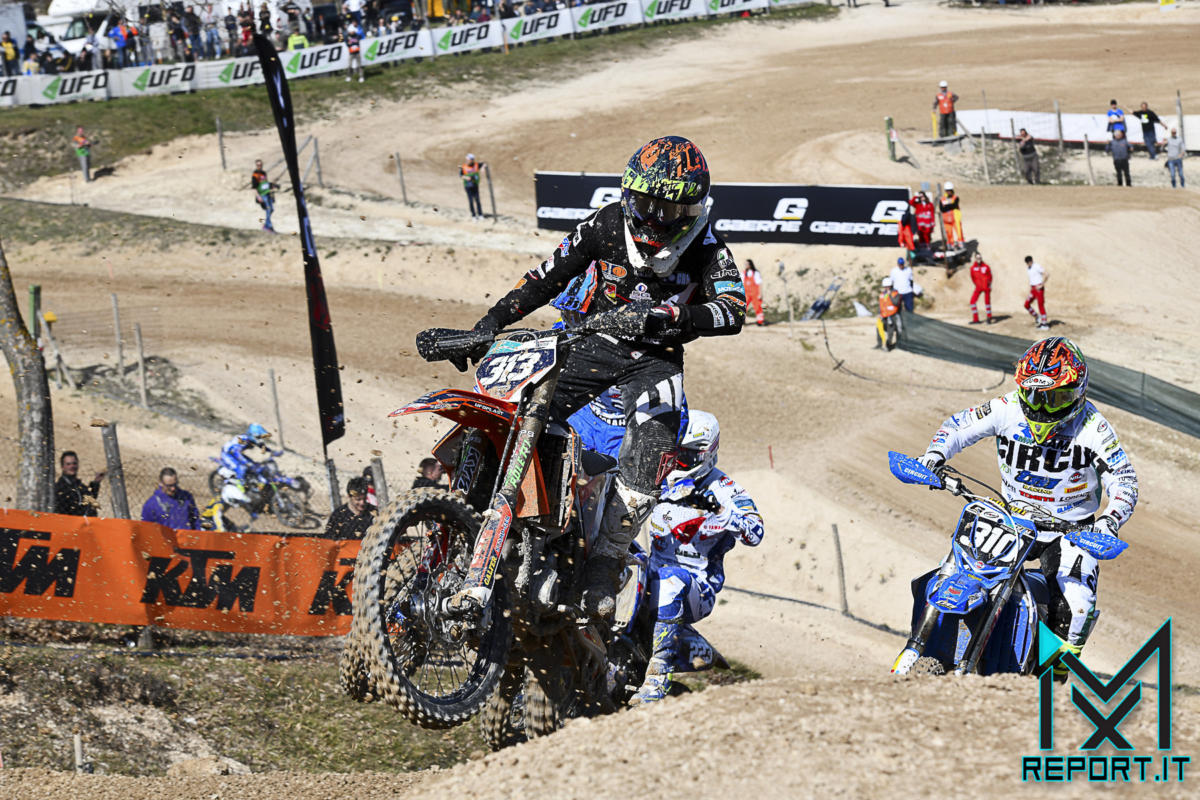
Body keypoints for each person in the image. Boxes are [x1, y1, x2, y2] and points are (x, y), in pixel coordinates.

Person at [460, 135, 745, 618]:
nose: (653, 218)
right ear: (628, 194)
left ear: (692, 210)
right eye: (645, 204)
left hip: (657, 357)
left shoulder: (706, 246)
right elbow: (545, 278)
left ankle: (606, 562)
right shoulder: (606, 224)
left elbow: (733, 309)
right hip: (595, 343)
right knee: (522, 405)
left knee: (652, 444)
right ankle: (476, 508)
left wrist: (676, 317)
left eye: (668, 210)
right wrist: (488, 323)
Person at [916, 337, 1138, 676]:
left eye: (1057, 398)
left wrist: (1109, 521)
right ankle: (928, 646)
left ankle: (1051, 681)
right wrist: (933, 456)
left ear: (1079, 391)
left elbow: (1124, 479)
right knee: (954, 571)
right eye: (1035, 396)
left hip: (1071, 531)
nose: (1044, 408)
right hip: (1010, 518)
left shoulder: (1094, 428)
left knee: (1076, 607)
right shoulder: (1007, 407)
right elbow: (959, 426)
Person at [630, 411, 763, 703]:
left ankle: (657, 677)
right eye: (674, 452)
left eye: (686, 456)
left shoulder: (724, 488)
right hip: (652, 569)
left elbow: (755, 533)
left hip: (697, 586)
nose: (677, 461)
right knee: (619, 555)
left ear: (706, 453)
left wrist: (721, 511)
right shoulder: (659, 475)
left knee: (670, 581)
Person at [219, 423, 272, 511]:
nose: (260, 439)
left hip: (235, 454)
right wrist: (245, 462)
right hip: (228, 454)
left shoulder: (251, 440)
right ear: (253, 435)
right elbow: (237, 452)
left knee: (255, 465)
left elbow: (262, 446)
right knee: (242, 468)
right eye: (258, 437)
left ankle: (251, 484)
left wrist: (272, 452)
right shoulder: (244, 440)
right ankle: (240, 486)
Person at [55, 451, 105, 517]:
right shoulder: (59, 488)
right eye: (68, 464)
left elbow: (89, 498)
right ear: (62, 467)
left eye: (74, 463)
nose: (72, 466)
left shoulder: (79, 485)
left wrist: (96, 482)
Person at [250, 159, 279, 232]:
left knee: (271, 209)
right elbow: (254, 188)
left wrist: (273, 186)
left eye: (260, 165)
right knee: (268, 209)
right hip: (262, 195)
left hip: (267, 194)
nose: (259, 166)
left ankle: (266, 225)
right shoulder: (255, 175)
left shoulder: (264, 173)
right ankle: (269, 226)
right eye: (258, 165)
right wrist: (258, 196)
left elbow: (265, 184)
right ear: (256, 165)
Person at [875, 276, 901, 350]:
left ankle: (888, 345)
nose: (886, 288)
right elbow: (881, 304)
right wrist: (879, 313)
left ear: (891, 286)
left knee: (890, 331)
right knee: (879, 328)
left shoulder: (896, 293)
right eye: (885, 286)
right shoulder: (883, 294)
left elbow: (896, 303)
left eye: (888, 286)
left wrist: (890, 295)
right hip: (883, 315)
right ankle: (879, 344)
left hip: (892, 316)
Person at [1023, 255, 1048, 330]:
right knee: (1026, 304)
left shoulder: (1036, 266)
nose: (1028, 264)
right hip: (1033, 289)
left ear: (1031, 261)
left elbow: (1046, 274)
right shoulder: (1028, 268)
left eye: (1029, 262)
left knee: (1040, 305)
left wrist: (1042, 285)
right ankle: (1037, 316)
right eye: (1027, 263)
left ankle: (1044, 324)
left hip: (1039, 289)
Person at [968, 251, 992, 325]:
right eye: (978, 258)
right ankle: (976, 319)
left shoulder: (986, 266)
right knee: (972, 302)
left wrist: (988, 284)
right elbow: (972, 278)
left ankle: (989, 317)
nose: (979, 259)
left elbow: (990, 276)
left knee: (987, 303)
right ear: (975, 258)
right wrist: (977, 284)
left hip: (986, 287)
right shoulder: (972, 268)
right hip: (978, 287)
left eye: (980, 258)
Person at [461, 153, 486, 221]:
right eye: (468, 159)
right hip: (468, 186)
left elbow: (484, 163)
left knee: (477, 200)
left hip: (475, 185)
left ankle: (480, 214)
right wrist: (466, 177)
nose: (468, 161)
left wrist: (483, 168)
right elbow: (461, 175)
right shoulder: (463, 167)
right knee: (471, 201)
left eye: (470, 159)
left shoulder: (476, 165)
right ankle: (473, 216)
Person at [938, 182, 963, 249]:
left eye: (950, 190)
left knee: (959, 232)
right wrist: (950, 206)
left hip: (955, 219)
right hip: (946, 219)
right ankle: (950, 245)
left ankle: (961, 244)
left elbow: (955, 205)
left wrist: (947, 206)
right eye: (947, 190)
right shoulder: (942, 199)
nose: (948, 192)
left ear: (952, 190)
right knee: (949, 233)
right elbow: (942, 209)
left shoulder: (955, 198)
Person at [742, 259, 764, 327]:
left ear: (750, 264)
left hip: (755, 293)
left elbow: (759, 284)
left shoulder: (755, 273)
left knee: (758, 307)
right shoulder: (743, 273)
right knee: (743, 306)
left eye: (747, 264)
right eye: (745, 264)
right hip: (746, 293)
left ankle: (760, 321)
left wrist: (760, 294)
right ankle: (742, 320)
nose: (746, 265)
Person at [343, 17, 363, 82]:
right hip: (351, 53)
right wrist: (348, 44)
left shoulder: (357, 35)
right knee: (349, 65)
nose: (352, 32)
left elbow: (360, 37)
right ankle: (349, 76)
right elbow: (346, 42)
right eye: (351, 31)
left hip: (357, 52)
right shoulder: (347, 36)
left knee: (359, 65)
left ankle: (361, 77)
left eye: (353, 31)